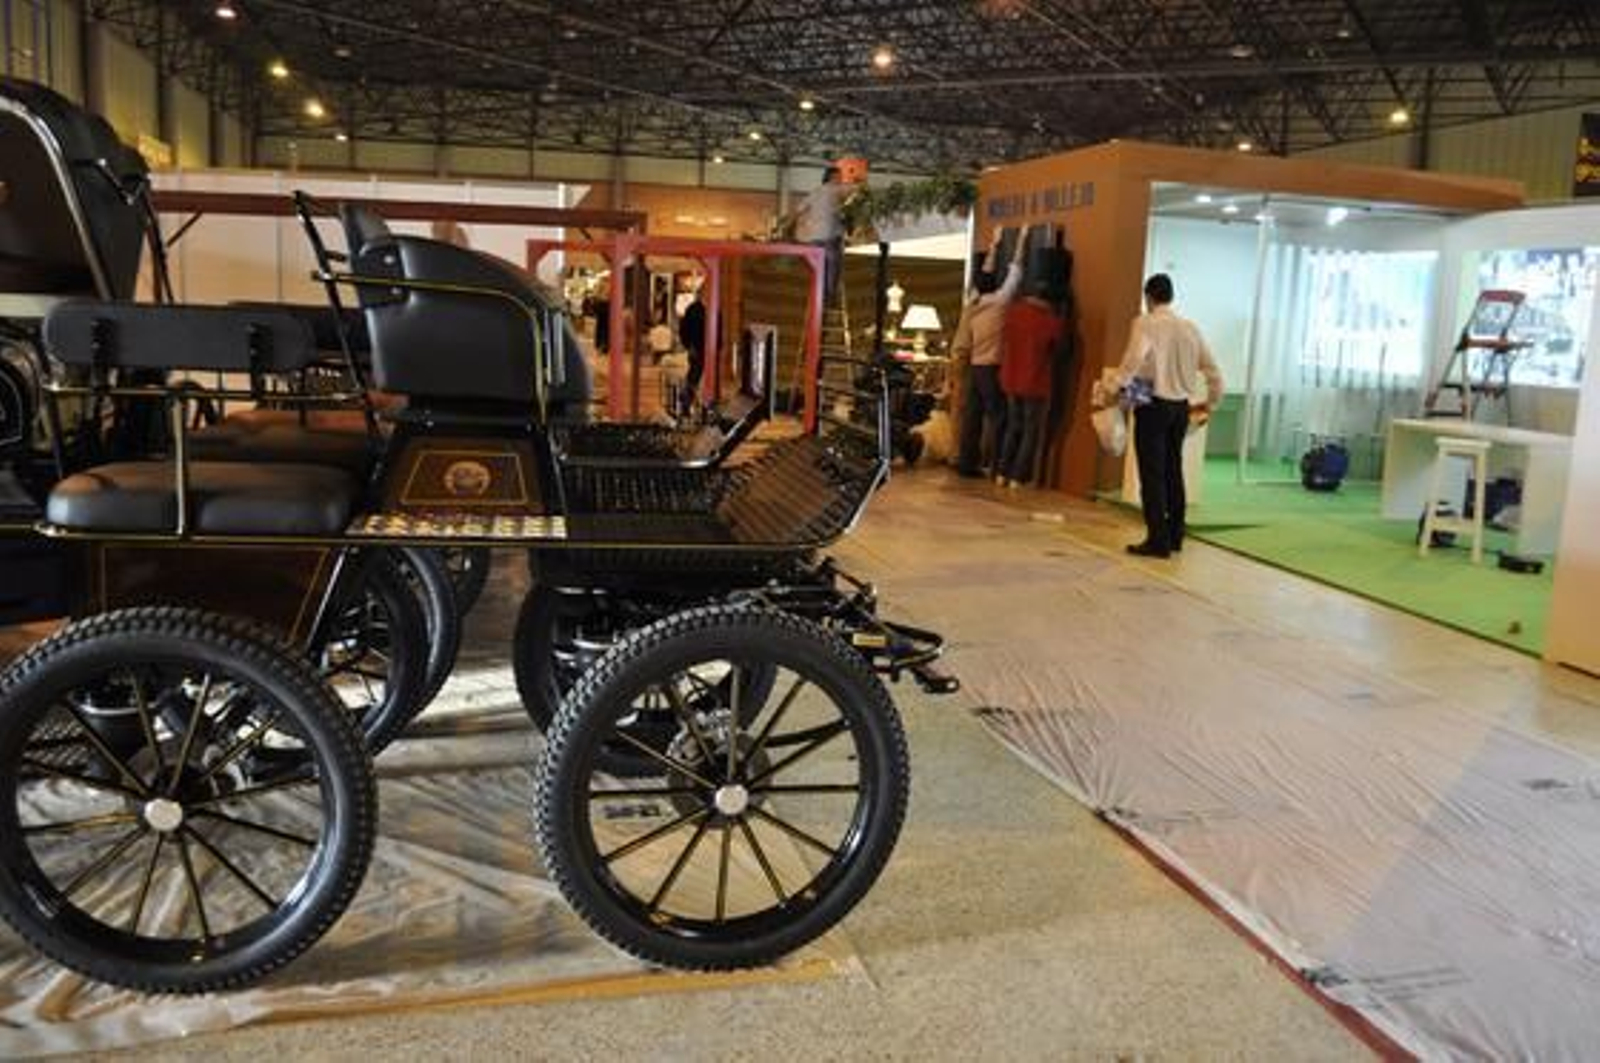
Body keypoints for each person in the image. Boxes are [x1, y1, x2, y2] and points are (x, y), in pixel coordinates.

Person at [1116, 273, 1225, 558]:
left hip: (1151, 404)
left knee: (1151, 476)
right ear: (1171, 296)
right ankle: (1176, 534)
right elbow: (1213, 371)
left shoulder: (1145, 323)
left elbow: (1133, 363)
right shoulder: (1190, 328)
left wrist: (1115, 390)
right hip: (1180, 407)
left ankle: (1157, 539)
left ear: (1148, 297)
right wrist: (1210, 402)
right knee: (1173, 470)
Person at [952, 227, 1027, 478]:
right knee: (999, 418)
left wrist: (994, 245)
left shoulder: (973, 302)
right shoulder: (1000, 302)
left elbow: (984, 274)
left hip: (974, 364)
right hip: (991, 367)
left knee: (972, 416)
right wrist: (1022, 238)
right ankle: (994, 465)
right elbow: (1016, 270)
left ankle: (966, 462)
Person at [996, 283, 1064, 488]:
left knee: (1012, 426)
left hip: (1010, 377)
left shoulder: (1013, 312)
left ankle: (1001, 473)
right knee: (1030, 430)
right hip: (1034, 381)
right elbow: (1058, 347)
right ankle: (1018, 477)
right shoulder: (1050, 320)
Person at [793, 166, 855, 303]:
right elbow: (855, 190)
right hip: (830, 236)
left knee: (818, 267)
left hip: (813, 237)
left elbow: (798, 209)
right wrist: (857, 181)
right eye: (839, 176)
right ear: (833, 177)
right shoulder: (836, 189)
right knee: (833, 266)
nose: (841, 179)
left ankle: (815, 294)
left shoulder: (815, 191)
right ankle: (829, 296)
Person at [678, 288, 707, 406]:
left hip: (699, 347)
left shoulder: (696, 309)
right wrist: (690, 345)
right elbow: (686, 329)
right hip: (698, 347)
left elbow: (683, 329)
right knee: (695, 372)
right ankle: (687, 397)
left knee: (695, 372)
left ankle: (687, 396)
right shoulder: (695, 310)